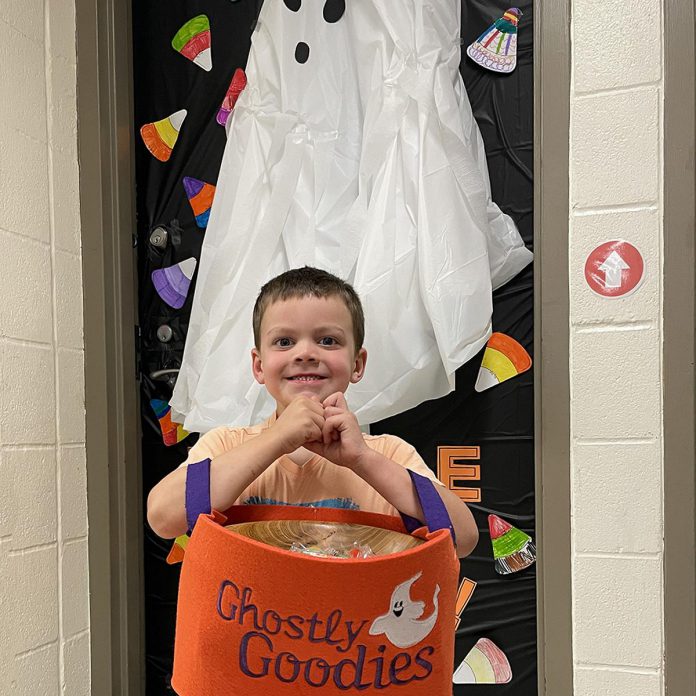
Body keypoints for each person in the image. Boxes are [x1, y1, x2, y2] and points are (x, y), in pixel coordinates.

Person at [147, 267, 479, 557]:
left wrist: (362, 459)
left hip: (356, 628)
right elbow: (163, 516)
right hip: (250, 629)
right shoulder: (226, 447)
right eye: (284, 342)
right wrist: (276, 439)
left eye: (328, 341)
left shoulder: (387, 454)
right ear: (259, 366)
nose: (305, 353)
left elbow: (463, 538)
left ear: (357, 364)